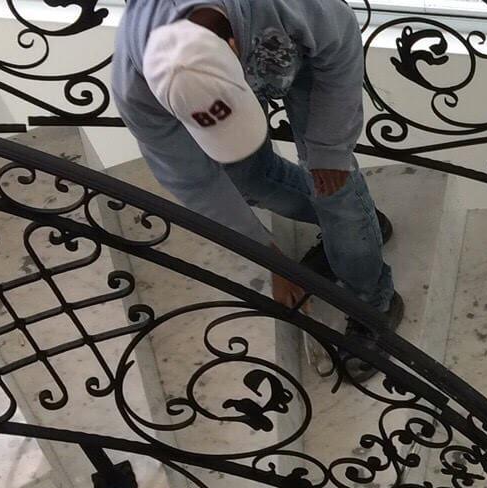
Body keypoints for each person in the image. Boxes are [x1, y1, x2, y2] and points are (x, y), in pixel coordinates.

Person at [113, 0, 404, 349]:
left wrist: (330, 149)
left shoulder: (289, 7)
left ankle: (373, 299)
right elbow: (194, 181)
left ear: (234, 45)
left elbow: (340, 41)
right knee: (247, 180)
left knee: (332, 183)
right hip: (243, 54)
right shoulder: (135, 88)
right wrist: (268, 256)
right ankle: (359, 229)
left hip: (300, 44)